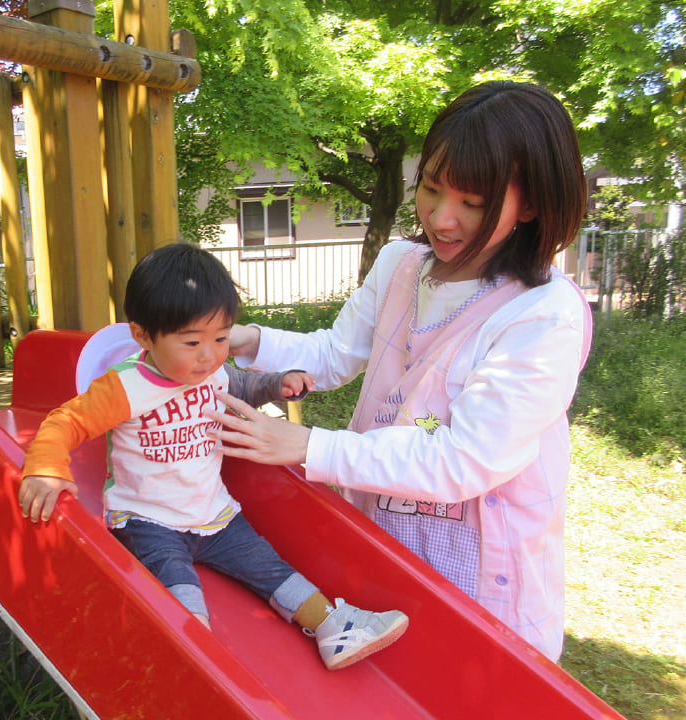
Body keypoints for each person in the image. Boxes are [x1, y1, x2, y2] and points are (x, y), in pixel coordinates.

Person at [207, 81, 592, 663]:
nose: (441, 218)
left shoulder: (543, 313)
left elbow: (464, 459)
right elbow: (335, 351)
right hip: (386, 529)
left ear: (532, 204)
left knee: (464, 684)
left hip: (480, 564)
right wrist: (239, 339)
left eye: (474, 202)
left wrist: (309, 445)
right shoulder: (402, 264)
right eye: (431, 190)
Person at [18, 243, 408, 671]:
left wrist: (278, 383)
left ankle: (333, 627)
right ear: (144, 335)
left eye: (221, 338)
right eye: (191, 342)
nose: (209, 355)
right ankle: (194, 660)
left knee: (270, 566)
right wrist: (45, 467)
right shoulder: (125, 387)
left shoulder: (212, 370)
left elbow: (239, 387)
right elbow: (66, 421)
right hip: (149, 520)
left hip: (215, 514)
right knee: (180, 592)